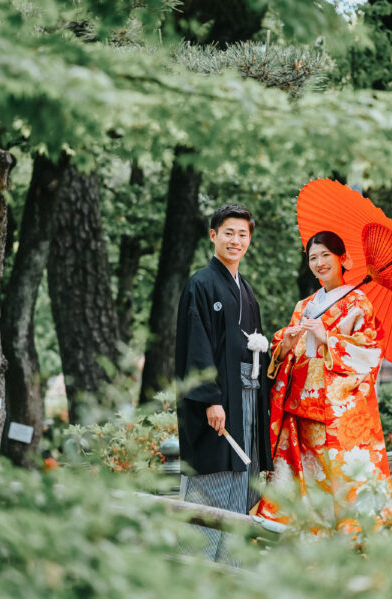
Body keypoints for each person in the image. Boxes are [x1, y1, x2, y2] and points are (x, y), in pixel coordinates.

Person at [256, 230, 390, 530]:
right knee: (306, 481)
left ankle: (343, 544)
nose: (318, 262)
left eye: (325, 255)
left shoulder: (358, 303)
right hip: (299, 410)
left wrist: (327, 338)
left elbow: (368, 354)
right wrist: (286, 346)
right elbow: (284, 353)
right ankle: (307, 543)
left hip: (335, 414)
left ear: (343, 259)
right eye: (312, 258)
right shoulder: (304, 306)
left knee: (337, 482)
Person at [174, 204, 273, 561]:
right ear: (213, 235)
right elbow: (196, 348)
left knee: (242, 486)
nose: (236, 240)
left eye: (243, 234)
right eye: (228, 232)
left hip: (246, 400)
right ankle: (192, 567)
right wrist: (210, 399)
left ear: (250, 240)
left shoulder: (246, 291)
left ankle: (228, 572)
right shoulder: (201, 284)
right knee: (211, 485)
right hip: (217, 405)